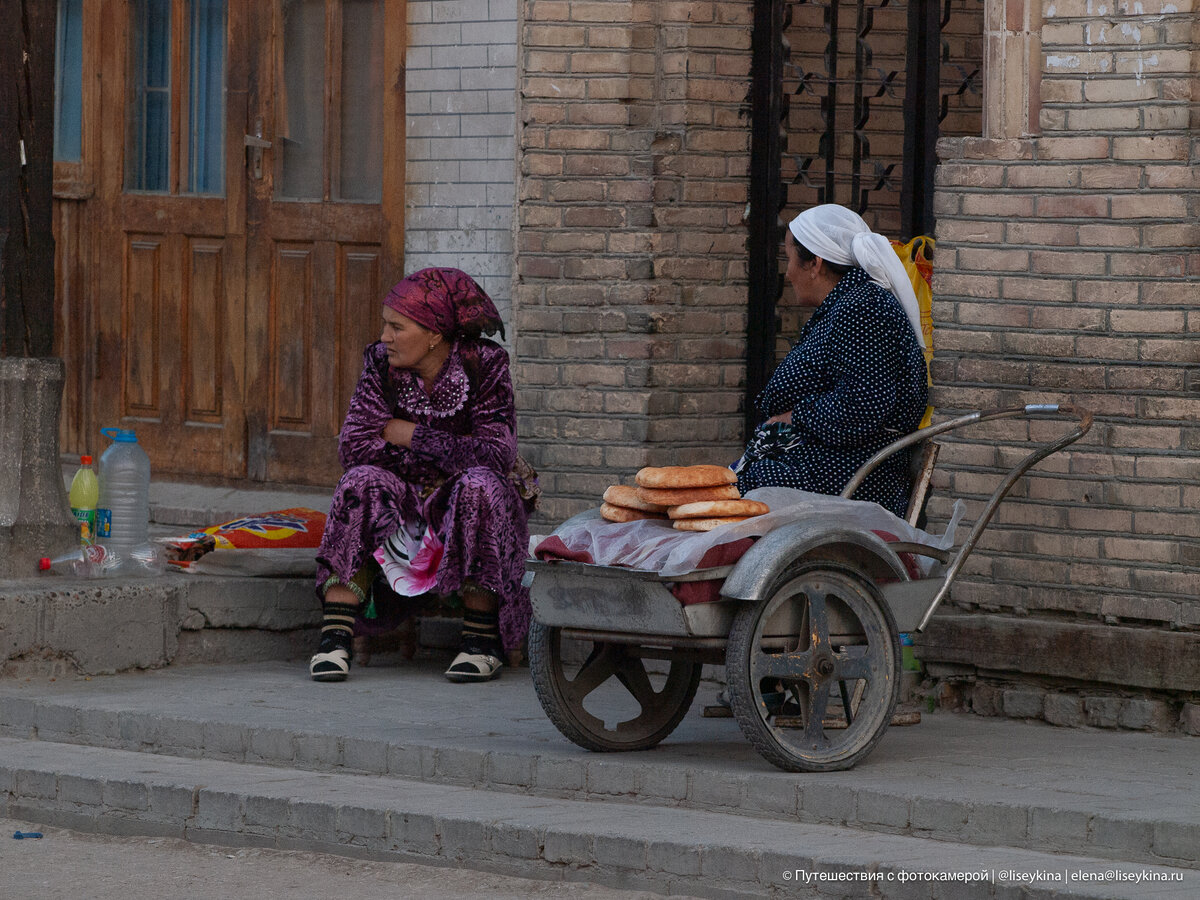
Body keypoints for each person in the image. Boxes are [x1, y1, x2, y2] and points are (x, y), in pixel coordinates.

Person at [310, 267, 535, 684]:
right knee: (361, 481)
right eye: (384, 325)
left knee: (479, 486)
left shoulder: (485, 365)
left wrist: (407, 432)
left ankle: (480, 642)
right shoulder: (380, 364)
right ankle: (334, 636)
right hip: (403, 502)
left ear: (434, 334)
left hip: (462, 499)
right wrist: (446, 451)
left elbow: (495, 453)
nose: (385, 337)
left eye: (397, 327)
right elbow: (354, 445)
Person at [736, 204, 929, 518]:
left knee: (737, 492)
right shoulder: (846, 305)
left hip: (851, 478)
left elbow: (864, 404)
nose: (787, 273)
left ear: (815, 263)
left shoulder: (863, 309)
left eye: (790, 259)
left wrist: (794, 416)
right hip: (832, 467)